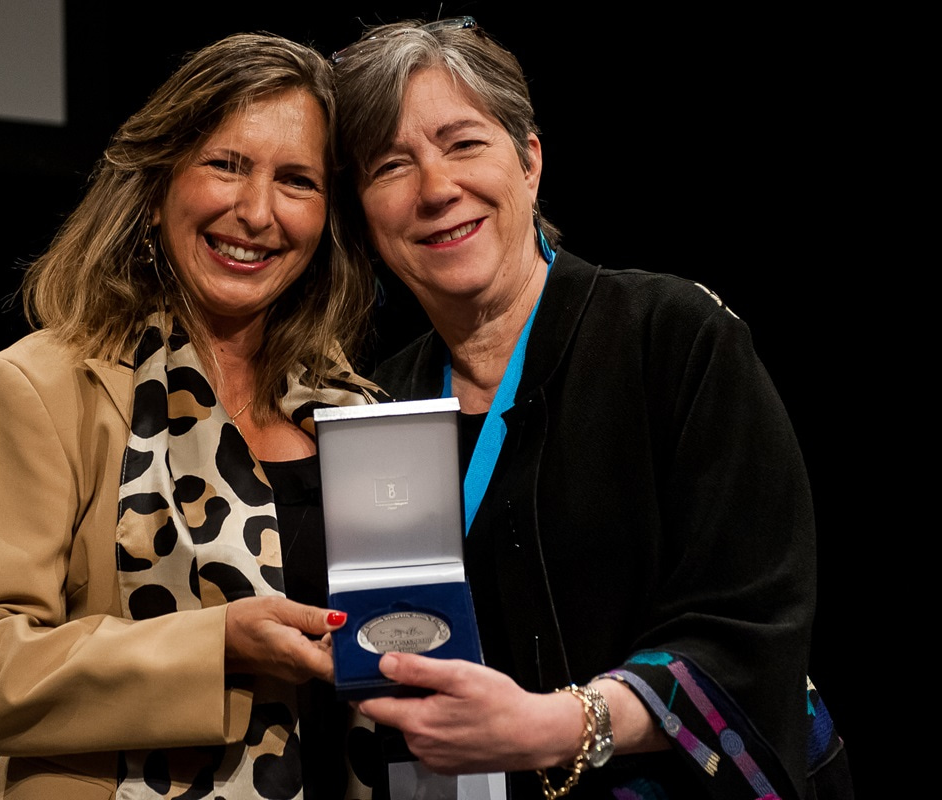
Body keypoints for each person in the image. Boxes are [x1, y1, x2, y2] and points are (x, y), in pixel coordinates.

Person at [330, 17, 852, 799]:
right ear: (364, 215)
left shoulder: (672, 336)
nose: (435, 188)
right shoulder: (377, 404)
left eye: (464, 143)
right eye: (391, 165)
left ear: (529, 162)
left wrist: (559, 725)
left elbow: (754, 621)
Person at [0, 32, 388, 800]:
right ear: (159, 180)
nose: (256, 212)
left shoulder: (357, 409)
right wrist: (215, 648)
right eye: (225, 164)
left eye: (296, 180)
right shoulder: (39, 387)